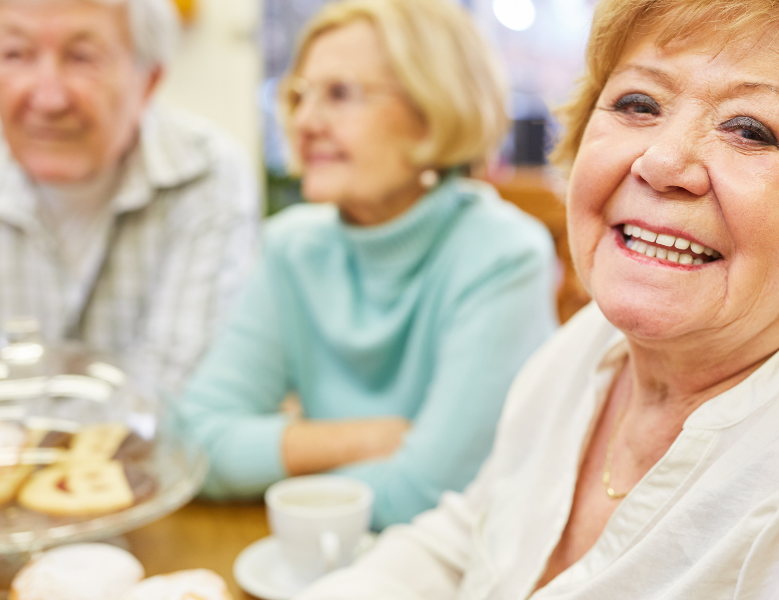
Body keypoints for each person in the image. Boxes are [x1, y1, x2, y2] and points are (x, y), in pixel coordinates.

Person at [296, 0, 779, 597]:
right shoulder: (590, 345)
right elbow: (470, 542)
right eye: (637, 104)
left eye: (750, 130)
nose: (663, 162)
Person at [176, 0, 557, 529]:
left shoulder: (504, 255)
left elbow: (428, 491)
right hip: (322, 560)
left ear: (433, 109)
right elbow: (191, 445)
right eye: (298, 95)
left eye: (340, 94)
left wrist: (269, 464)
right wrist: (373, 438)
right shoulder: (292, 247)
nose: (304, 122)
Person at [0, 0, 260, 406]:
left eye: (82, 57)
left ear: (150, 80)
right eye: (15, 54)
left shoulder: (207, 179)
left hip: (143, 467)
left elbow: (179, 391)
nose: (49, 98)